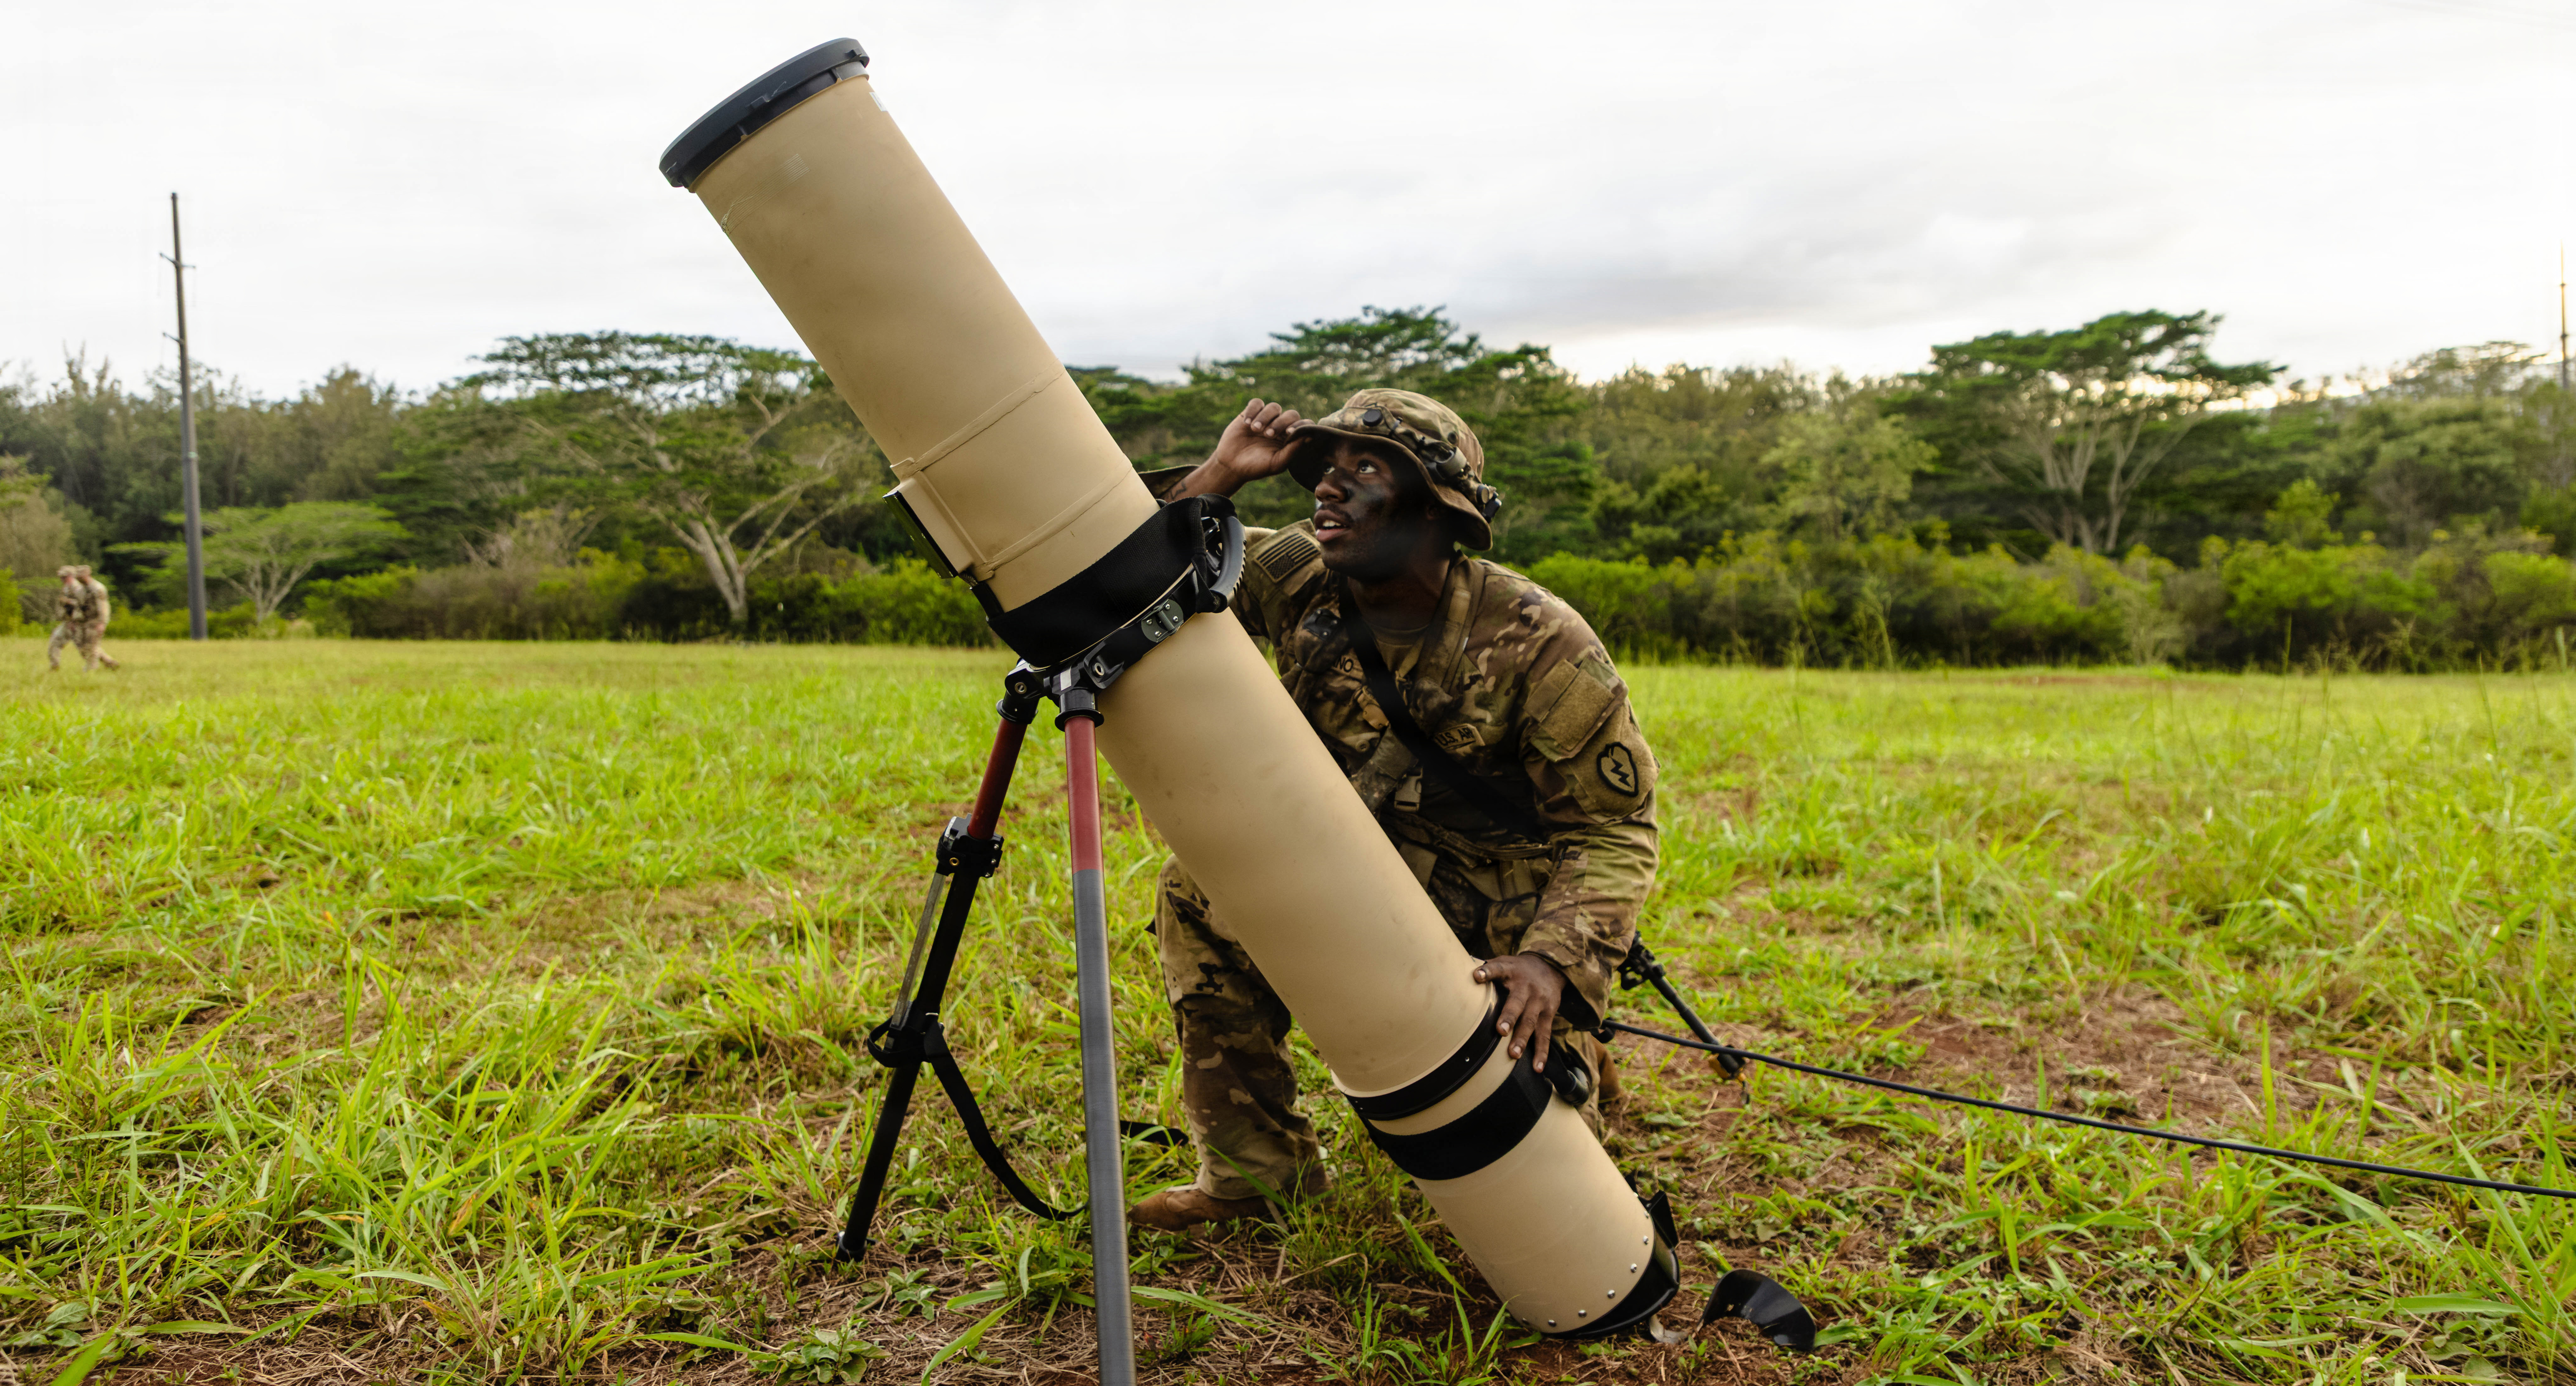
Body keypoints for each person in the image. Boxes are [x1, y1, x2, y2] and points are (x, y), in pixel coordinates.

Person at [1128, 389, 1660, 1231]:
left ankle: (1580, 1061)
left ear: (1435, 509)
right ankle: (1257, 1177)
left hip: (1493, 911)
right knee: (1197, 891)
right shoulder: (1299, 574)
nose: (1326, 491)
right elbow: (1132, 566)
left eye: (1363, 471)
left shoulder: (1539, 640)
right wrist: (1222, 473)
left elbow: (1612, 829)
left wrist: (1553, 962)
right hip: (1349, 862)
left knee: (1556, 1201)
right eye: (1323, 471)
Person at [46, 565, 119, 672]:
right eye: (61, 577)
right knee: (85, 648)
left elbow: (102, 608)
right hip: (76, 622)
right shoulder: (74, 588)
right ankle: (108, 663)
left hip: (87, 622)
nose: (62, 580)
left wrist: (102, 623)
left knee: (88, 648)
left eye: (65, 577)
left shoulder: (90, 588)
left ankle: (93, 670)